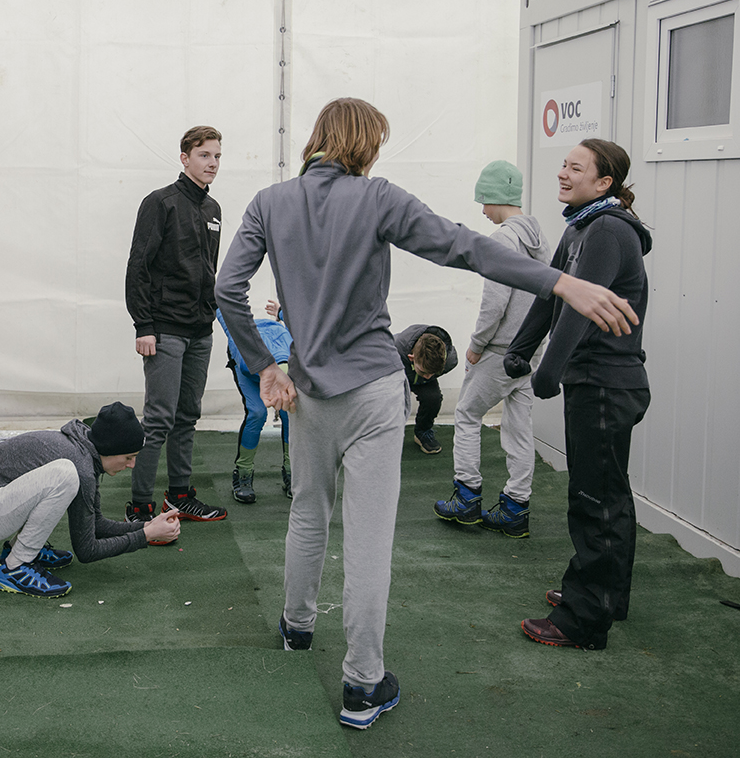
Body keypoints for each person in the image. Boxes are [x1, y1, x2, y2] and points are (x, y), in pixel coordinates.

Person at [214, 98, 638, 730]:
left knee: (308, 511)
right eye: (377, 142)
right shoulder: (377, 196)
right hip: (373, 392)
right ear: (363, 144)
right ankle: (361, 685)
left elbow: (226, 290)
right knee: (367, 539)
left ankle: (296, 628)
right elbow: (462, 247)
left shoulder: (268, 202)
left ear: (318, 139)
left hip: (305, 390)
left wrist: (265, 366)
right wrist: (559, 282)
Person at [507, 140, 651, 651]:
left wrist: (547, 371)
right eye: (563, 164)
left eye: (576, 166)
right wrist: (522, 349)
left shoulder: (608, 230)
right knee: (607, 492)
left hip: (606, 385)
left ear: (604, 181)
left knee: (594, 500)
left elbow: (579, 311)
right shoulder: (581, 226)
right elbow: (554, 293)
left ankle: (585, 618)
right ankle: (609, 596)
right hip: (598, 383)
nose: (563, 172)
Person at [0, 402, 182, 597]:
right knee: (64, 475)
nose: (132, 465)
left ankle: (19, 550)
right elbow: (87, 550)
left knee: (64, 474)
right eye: (129, 457)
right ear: (111, 449)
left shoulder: (84, 446)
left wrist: (146, 525)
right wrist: (146, 536)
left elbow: (96, 524)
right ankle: (16, 567)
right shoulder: (80, 467)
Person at [435, 160, 551, 538]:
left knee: (467, 414)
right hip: (532, 352)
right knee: (519, 428)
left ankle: (466, 497)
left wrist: (475, 345)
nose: (481, 210)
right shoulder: (540, 238)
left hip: (502, 350)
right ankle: (516, 507)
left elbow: (494, 302)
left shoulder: (502, 239)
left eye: (482, 201)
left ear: (493, 197)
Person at [124, 125, 228, 533]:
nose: (213, 163)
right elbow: (139, 266)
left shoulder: (213, 209)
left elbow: (208, 270)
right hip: (164, 330)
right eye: (205, 155)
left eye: (217, 156)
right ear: (185, 158)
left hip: (201, 329)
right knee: (159, 419)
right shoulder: (160, 203)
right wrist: (144, 325)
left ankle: (179, 496)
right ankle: (139, 506)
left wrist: (214, 312)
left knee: (188, 416)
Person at [216, 299, 292, 504]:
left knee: (289, 411)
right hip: (248, 369)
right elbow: (227, 320)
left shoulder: (297, 351)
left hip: (277, 341)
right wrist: (215, 299)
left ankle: (292, 472)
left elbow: (298, 325)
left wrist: (281, 312)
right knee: (257, 413)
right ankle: (243, 474)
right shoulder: (242, 345)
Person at [394, 325, 456, 454]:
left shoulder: (449, 360)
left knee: (433, 398)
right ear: (412, 358)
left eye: (431, 373)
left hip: (418, 372)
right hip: (398, 373)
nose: (428, 376)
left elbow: (429, 374)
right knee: (391, 402)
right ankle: (386, 435)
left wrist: (427, 374)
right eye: (424, 371)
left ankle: (423, 433)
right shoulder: (394, 350)